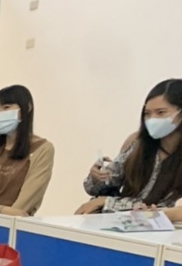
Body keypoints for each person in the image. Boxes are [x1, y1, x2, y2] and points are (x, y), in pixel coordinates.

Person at [78, 79, 182, 218]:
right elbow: (95, 189)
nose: (152, 119)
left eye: (161, 112)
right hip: (122, 223)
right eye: (147, 113)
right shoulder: (137, 143)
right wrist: (97, 177)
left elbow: (168, 209)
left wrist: (108, 202)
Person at [0, 84, 55, 216]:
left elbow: (23, 206)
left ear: (27, 108)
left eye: (6, 107)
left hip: (16, 225)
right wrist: (3, 210)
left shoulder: (42, 149)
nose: (0, 114)